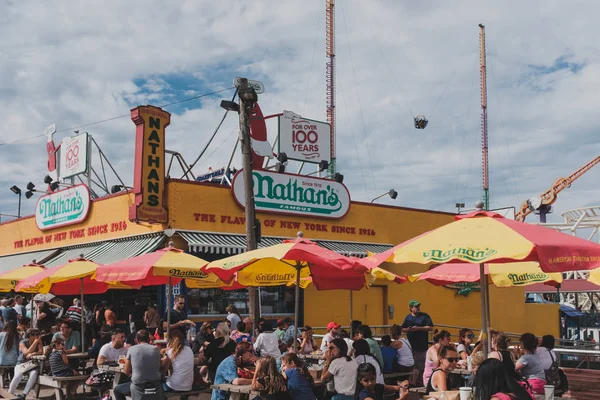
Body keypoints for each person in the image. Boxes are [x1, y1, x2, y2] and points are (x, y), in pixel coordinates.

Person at [113, 329, 163, 400]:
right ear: (148, 339)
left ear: (136, 340)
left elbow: (127, 371)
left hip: (139, 386)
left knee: (117, 390)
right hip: (155, 384)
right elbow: (159, 366)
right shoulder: (156, 349)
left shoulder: (132, 349)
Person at [401, 299, 433, 384]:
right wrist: (408, 329)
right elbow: (403, 328)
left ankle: (423, 382)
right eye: (416, 306)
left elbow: (430, 327)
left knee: (423, 366)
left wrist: (418, 328)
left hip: (422, 346)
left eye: (418, 306)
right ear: (411, 308)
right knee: (414, 367)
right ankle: (413, 384)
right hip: (411, 347)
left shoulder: (425, 316)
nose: (418, 308)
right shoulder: (408, 318)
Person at [8, 328, 43, 399]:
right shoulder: (22, 342)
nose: (38, 336)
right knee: (18, 375)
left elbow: (41, 351)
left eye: (38, 334)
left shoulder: (39, 341)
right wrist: (35, 342)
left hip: (33, 364)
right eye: (36, 335)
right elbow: (26, 352)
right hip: (21, 363)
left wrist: (33, 353)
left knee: (33, 374)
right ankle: (9, 393)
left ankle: (24, 394)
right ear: (30, 335)